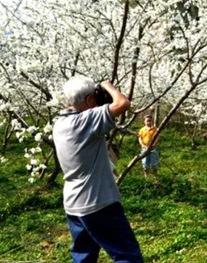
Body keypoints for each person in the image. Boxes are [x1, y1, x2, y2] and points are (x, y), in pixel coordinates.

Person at [52, 76, 143, 263]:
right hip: (98, 203)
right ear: (88, 100)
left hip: (73, 204)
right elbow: (123, 103)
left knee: (84, 256)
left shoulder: (59, 124)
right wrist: (106, 85)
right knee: (127, 255)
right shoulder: (85, 121)